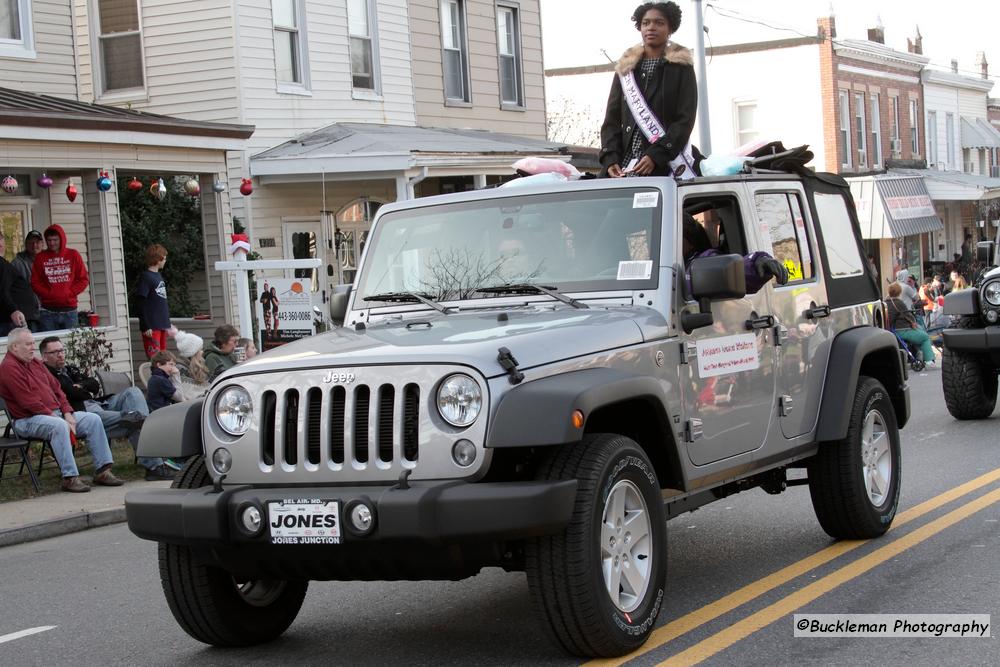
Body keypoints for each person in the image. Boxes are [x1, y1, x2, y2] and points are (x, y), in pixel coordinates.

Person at [0, 328, 122, 492]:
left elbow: (57, 389)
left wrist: (67, 413)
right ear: (14, 347)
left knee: (93, 419)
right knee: (59, 426)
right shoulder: (8, 368)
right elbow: (28, 402)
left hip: (56, 414)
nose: (32, 347)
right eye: (28, 344)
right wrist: (59, 418)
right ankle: (70, 478)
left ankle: (102, 471)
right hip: (26, 420)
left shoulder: (35, 363)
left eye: (32, 343)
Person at [38, 335, 175, 481]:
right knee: (135, 422)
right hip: (84, 413)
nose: (60, 354)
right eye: (54, 352)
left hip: (100, 405)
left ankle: (138, 418)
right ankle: (155, 465)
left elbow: (94, 385)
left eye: (61, 350)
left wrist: (82, 386)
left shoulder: (70, 369)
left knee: (133, 392)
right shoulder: (45, 374)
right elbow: (70, 393)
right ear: (44, 357)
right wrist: (80, 388)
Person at [599, 2, 697, 179]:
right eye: (646, 23)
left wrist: (656, 155)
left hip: (663, 164)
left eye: (659, 23)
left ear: (670, 29)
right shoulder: (626, 68)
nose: (651, 27)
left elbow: (685, 120)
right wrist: (610, 158)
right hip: (624, 165)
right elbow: (611, 120)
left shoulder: (681, 68)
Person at [682, 215, 788, 294]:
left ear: (690, 243)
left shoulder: (702, 262)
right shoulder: (669, 266)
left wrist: (758, 261)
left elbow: (737, 273)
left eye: (672, 236)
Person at [31, 224, 89, 331]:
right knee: (50, 344)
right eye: (49, 240)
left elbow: (83, 279)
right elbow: (35, 282)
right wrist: (48, 293)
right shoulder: (40, 257)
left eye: (55, 240)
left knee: (72, 343)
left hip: (70, 311)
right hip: (47, 311)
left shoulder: (73, 255)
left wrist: (70, 292)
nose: (52, 243)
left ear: (62, 239)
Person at [886, 283, 937, 369]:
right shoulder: (898, 302)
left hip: (893, 329)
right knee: (924, 337)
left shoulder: (886, 302)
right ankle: (929, 360)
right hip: (902, 330)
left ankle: (919, 354)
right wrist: (913, 322)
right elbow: (907, 315)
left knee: (920, 331)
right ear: (899, 292)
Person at [135, 244, 172, 358]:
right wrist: (145, 325)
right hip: (152, 326)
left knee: (164, 358)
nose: (165, 260)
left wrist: (167, 323)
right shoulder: (146, 277)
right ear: (158, 259)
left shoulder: (158, 276)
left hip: (161, 324)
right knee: (155, 359)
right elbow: (140, 302)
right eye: (164, 258)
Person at [0, 230, 40, 336]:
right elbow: (2, 290)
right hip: (14, 319)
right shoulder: (3, 264)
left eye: (0, 239)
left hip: (22, 316)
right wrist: (14, 310)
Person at [10, 229, 43, 330]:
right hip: (29, 314)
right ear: (26, 244)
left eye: (37, 242)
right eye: (31, 242)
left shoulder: (48, 260)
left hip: (49, 311)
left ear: (42, 244)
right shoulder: (17, 264)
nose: (34, 245)